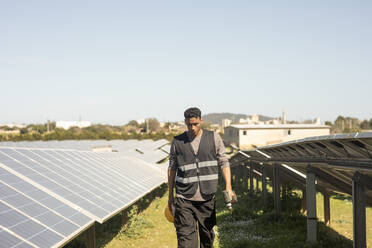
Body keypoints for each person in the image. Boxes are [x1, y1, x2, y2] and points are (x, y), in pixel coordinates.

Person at [168, 107, 234, 248]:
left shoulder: (214, 137)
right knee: (186, 241)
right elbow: (172, 168)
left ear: (201, 121)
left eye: (195, 124)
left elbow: (224, 162)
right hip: (184, 198)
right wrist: (170, 195)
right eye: (189, 124)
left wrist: (228, 186)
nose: (192, 127)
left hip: (207, 198)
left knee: (207, 239)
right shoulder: (177, 142)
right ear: (185, 122)